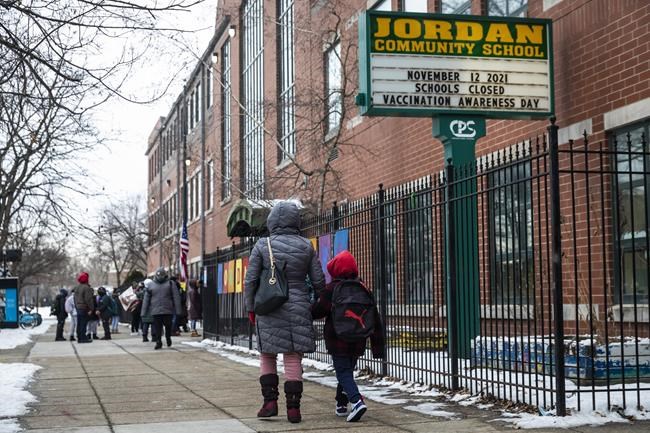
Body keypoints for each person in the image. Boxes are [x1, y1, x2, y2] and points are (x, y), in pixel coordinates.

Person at [244, 201, 326, 424]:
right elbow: (319, 281)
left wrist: (251, 307)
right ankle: (294, 409)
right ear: (295, 221)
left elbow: (250, 280)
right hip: (299, 305)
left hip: (269, 306)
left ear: (272, 221)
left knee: (267, 354)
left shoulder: (262, 245)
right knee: (292, 356)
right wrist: (320, 303)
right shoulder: (306, 246)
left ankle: (269, 403)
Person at [311, 250, 385, 423]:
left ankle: (357, 401)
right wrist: (377, 347)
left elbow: (317, 311)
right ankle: (341, 404)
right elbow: (374, 316)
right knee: (347, 371)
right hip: (359, 338)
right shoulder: (364, 287)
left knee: (343, 372)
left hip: (338, 340)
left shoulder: (332, 288)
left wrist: (309, 307)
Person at [141, 268, 181, 350]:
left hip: (167, 310)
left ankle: (168, 337)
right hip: (156, 310)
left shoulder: (170, 283)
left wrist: (178, 310)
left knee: (168, 326)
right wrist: (143, 312)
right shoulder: (151, 285)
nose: (160, 277)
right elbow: (146, 299)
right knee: (157, 327)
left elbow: (176, 297)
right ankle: (158, 341)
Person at [73, 272, 94, 343]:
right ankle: (83, 338)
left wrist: (76, 306)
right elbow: (88, 299)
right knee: (83, 323)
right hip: (84, 307)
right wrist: (91, 308)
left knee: (79, 323)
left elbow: (74, 299)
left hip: (78, 307)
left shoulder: (77, 288)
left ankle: (79, 337)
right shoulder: (86, 288)